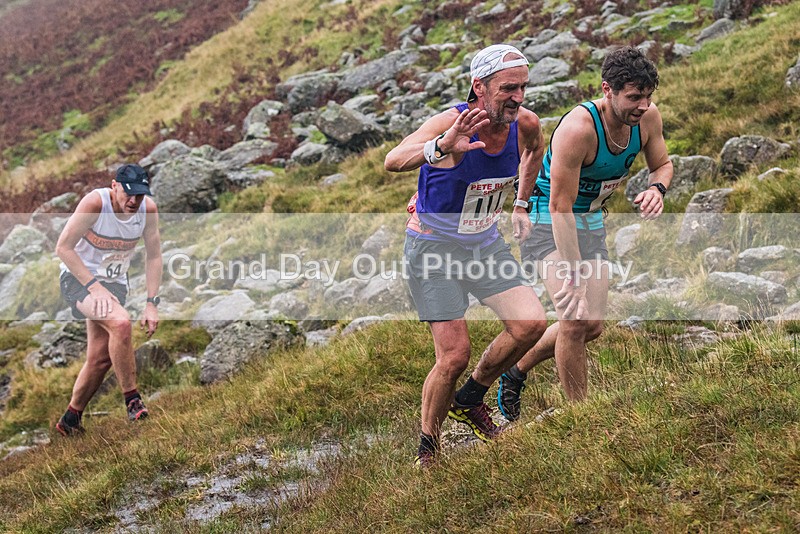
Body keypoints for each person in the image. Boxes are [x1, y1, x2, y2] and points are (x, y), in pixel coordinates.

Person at [385, 44, 548, 466]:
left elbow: (533, 154)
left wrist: (521, 203)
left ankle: (472, 396)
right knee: (453, 354)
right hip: (433, 247)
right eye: (508, 88)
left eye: (523, 88)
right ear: (480, 86)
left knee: (530, 324)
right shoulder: (450, 121)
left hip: (482, 241)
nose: (518, 97)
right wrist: (440, 146)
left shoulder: (526, 123)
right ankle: (428, 446)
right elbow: (393, 159)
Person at [496, 46, 673, 420]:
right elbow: (560, 207)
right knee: (574, 320)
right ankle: (583, 416)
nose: (642, 106)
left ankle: (516, 369)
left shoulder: (648, 118)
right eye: (633, 97)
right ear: (607, 90)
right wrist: (573, 276)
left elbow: (663, 165)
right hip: (550, 221)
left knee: (591, 325)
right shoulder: (579, 129)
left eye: (647, 96)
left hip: (591, 221)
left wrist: (657, 189)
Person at [54, 163, 162, 435]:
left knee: (100, 359)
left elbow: (154, 256)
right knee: (121, 323)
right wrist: (94, 287)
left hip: (115, 283)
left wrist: (151, 303)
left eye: (139, 194)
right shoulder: (95, 203)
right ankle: (133, 401)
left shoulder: (147, 210)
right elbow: (63, 248)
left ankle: (70, 420)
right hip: (78, 279)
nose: (133, 201)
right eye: (128, 194)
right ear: (114, 186)